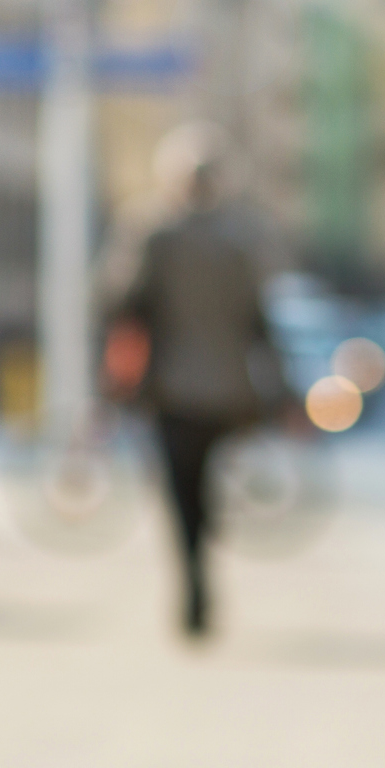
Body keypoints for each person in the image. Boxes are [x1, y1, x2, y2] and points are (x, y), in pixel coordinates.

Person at [113, 123, 280, 639]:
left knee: (180, 488)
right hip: (228, 391)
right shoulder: (242, 238)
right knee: (201, 483)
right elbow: (260, 316)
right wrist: (277, 383)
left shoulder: (152, 231)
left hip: (172, 388)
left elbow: (122, 300)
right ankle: (202, 558)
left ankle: (194, 582)